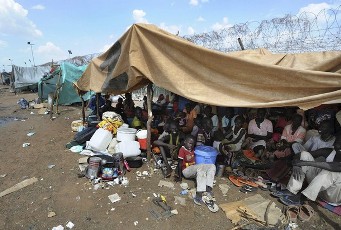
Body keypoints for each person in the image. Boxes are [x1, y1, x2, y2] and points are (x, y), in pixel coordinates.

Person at [274, 134, 341, 206]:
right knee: (305, 155)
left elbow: (333, 166)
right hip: (318, 190)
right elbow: (299, 154)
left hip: (333, 195)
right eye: (339, 142)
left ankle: (302, 197)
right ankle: (291, 190)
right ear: (335, 142)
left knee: (330, 172)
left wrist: (302, 163)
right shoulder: (329, 151)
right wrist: (297, 164)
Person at [175, 135, 217, 207]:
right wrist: (179, 176)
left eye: (192, 144)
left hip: (193, 169)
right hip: (186, 171)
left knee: (212, 166)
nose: (191, 145)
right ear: (185, 142)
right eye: (189, 143)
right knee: (200, 167)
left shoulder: (193, 150)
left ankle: (208, 188)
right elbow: (180, 163)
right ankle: (199, 194)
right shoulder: (182, 149)